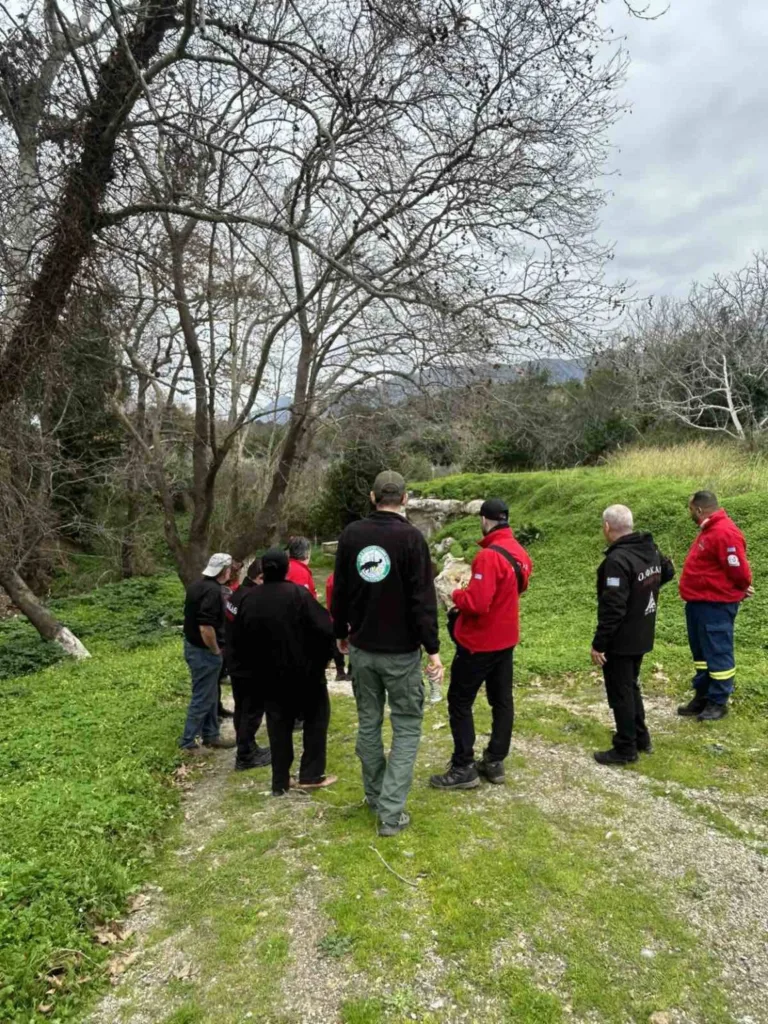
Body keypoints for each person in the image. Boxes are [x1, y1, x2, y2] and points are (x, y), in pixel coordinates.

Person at [332, 470, 443, 837]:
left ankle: (377, 796)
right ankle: (390, 812)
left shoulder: (352, 535)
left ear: (372, 496)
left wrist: (340, 634)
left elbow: (341, 592)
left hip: (363, 649)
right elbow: (423, 600)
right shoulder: (412, 539)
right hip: (401, 654)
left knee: (368, 723)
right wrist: (434, 650)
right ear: (406, 498)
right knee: (407, 727)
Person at [430, 499, 532, 791]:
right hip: (506, 639)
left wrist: (458, 593)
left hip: (479, 643)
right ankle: (495, 760)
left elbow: (477, 603)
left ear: (485, 520)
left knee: (460, 701)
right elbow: (520, 586)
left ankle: (463, 766)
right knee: (501, 700)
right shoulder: (519, 552)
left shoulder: (488, 557)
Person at [230, 547, 337, 795]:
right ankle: (310, 774)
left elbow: (238, 640)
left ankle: (280, 781)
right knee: (316, 721)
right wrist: (324, 659)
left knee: (278, 726)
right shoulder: (298, 595)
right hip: (305, 674)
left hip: (267, 676)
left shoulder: (248, 599)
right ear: (287, 569)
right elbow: (323, 628)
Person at [590, 505, 675, 766]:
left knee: (621, 692)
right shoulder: (649, 547)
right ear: (630, 525)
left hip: (622, 639)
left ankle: (626, 748)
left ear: (607, 527)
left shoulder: (617, 561)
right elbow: (668, 571)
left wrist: (599, 644)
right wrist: (643, 594)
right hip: (643, 631)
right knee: (631, 685)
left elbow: (613, 607)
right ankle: (641, 737)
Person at [677, 490, 753, 722]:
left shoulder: (724, 533)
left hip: (715, 606)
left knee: (718, 653)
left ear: (699, 510)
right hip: (698, 604)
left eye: (691, 510)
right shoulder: (709, 531)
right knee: (701, 655)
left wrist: (739, 589)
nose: (690, 514)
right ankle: (702, 695)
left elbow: (740, 572)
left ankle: (718, 702)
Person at [180, 553, 237, 753]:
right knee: (203, 696)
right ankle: (187, 743)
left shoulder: (196, 586)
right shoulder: (213, 592)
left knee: (211, 693)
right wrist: (215, 650)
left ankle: (211, 735)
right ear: (225, 571)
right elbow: (206, 627)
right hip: (204, 650)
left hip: (192, 645)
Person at [224, 558, 271, 771]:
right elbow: (257, 633)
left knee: (242, 707)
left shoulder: (237, 595)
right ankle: (245, 756)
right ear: (260, 577)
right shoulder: (253, 599)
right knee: (251, 711)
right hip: (250, 664)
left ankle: (248, 746)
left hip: (236, 660)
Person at [325, 571, 349, 681]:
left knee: (337, 643)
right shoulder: (353, 576)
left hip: (335, 615)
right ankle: (351, 670)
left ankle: (340, 672)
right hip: (351, 615)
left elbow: (330, 600)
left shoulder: (331, 578)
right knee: (353, 641)